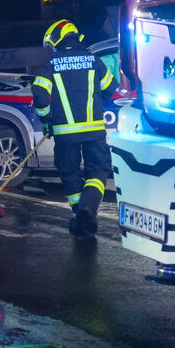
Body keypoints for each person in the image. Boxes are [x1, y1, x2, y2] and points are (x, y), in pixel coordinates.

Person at [32, 19, 116, 239]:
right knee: (98, 170)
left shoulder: (51, 64)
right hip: (94, 132)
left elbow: (40, 96)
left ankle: (80, 215)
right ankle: (88, 210)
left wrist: (47, 120)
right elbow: (111, 88)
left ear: (58, 38)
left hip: (64, 133)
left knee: (70, 173)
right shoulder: (94, 60)